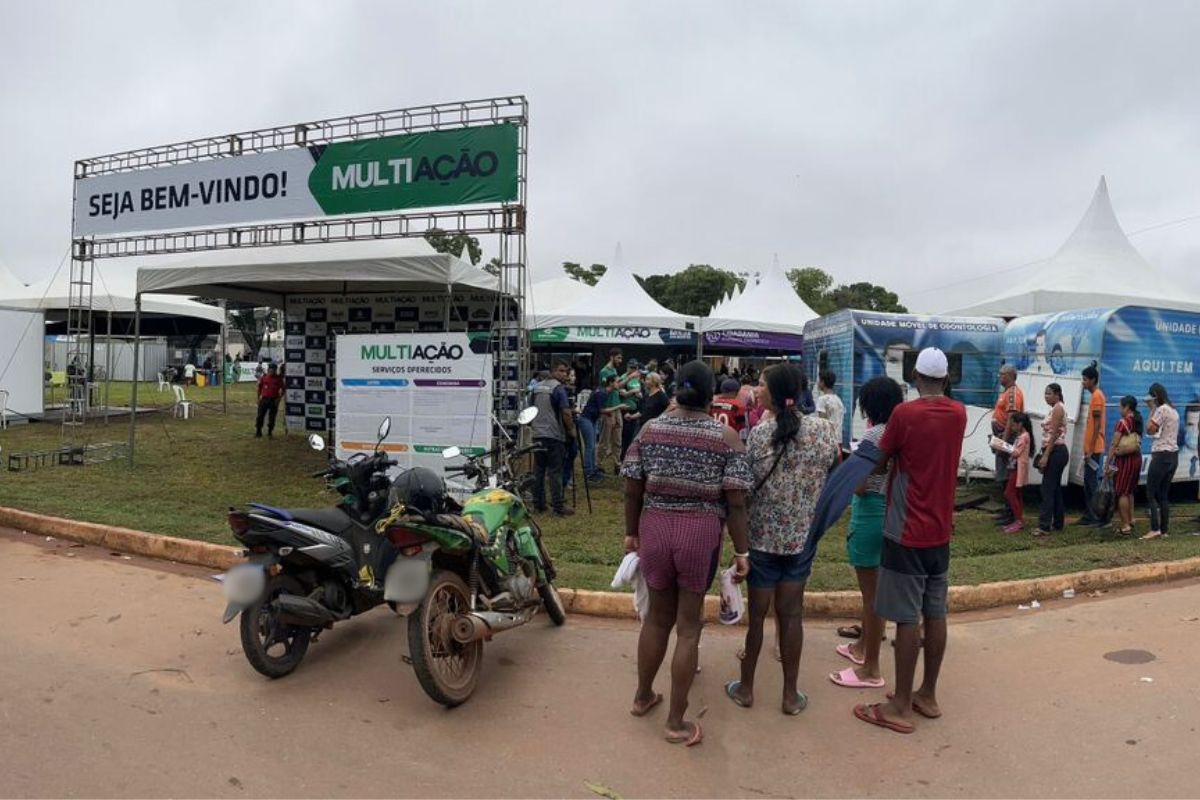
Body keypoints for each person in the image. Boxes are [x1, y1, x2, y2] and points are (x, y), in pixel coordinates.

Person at [623, 360, 752, 746]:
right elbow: (737, 502)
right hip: (699, 533)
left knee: (656, 620)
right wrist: (742, 551)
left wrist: (631, 533)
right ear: (711, 394)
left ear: (676, 391)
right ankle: (676, 722)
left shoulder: (649, 429)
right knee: (688, 627)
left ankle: (643, 696)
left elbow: (632, 487)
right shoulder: (725, 437)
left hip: (656, 529)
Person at [853, 347, 965, 735]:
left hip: (905, 530)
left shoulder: (904, 415)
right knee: (935, 614)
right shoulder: (959, 413)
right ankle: (927, 695)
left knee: (905, 618)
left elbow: (880, 464)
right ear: (946, 379)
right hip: (939, 531)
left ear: (915, 378)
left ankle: (899, 705)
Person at [725, 364, 839, 714]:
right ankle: (790, 695)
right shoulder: (823, 431)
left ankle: (746, 688)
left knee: (757, 618)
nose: (756, 389)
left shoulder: (759, 434)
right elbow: (833, 465)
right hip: (800, 541)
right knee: (792, 616)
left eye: (760, 385)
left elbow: (744, 489)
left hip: (761, 542)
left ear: (773, 393)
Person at [829, 376, 905, 691]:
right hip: (890, 511)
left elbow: (859, 483)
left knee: (871, 594)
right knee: (876, 590)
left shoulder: (874, 435)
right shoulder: (901, 431)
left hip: (869, 510)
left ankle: (869, 666)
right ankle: (863, 646)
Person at [529, 361, 577, 517]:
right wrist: (571, 430)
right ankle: (558, 506)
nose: (565, 374)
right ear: (553, 371)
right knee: (555, 472)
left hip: (537, 434)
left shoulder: (536, 388)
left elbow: (530, 409)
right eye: (562, 371)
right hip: (554, 434)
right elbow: (566, 412)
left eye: (566, 371)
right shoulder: (558, 388)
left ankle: (538, 504)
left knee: (538, 471)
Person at [1142, 383, 1179, 540]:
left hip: (1161, 454)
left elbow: (1149, 429)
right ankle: (1164, 530)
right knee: (1163, 494)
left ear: (1155, 396)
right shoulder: (1173, 410)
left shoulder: (1161, 410)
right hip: (1173, 455)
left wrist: (1151, 409)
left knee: (1150, 493)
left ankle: (1155, 528)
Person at [990, 365, 1025, 525]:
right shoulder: (1006, 392)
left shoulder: (1012, 393)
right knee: (1003, 474)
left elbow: (1011, 418)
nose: (999, 376)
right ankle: (1006, 509)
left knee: (1007, 475)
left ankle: (1010, 512)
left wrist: (1002, 442)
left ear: (1010, 376)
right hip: (1002, 435)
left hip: (1008, 438)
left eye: (1002, 374)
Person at [1034, 383, 1069, 536]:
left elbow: (1054, 434)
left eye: (1049, 394)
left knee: (1047, 488)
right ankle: (1058, 522)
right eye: (1045, 393)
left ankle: (1044, 525)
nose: (1046, 396)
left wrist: (1046, 456)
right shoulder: (1055, 408)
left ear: (1057, 394)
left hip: (1056, 451)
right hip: (1054, 451)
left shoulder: (1058, 408)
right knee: (1054, 488)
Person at [1107, 396, 1144, 536]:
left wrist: (1108, 463)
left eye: (1120, 406)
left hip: (1124, 460)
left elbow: (1114, 444)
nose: (1119, 409)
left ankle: (1125, 525)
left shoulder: (1122, 423)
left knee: (1121, 492)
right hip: (1136, 459)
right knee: (1129, 491)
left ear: (1127, 407)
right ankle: (1131, 519)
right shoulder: (1137, 420)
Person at [992, 412, 1034, 533]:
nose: (1012, 428)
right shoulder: (1021, 435)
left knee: (1009, 493)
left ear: (1020, 424)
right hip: (1014, 468)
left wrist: (1002, 446)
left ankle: (1018, 520)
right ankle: (1018, 520)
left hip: (1017, 469)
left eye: (1014, 425)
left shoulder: (1024, 437)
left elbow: (1016, 453)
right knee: (1016, 495)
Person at [1078, 364, 1108, 526]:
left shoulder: (1097, 396)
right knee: (1088, 483)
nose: (1083, 383)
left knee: (1092, 484)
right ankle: (1089, 514)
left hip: (1094, 448)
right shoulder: (1095, 396)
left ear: (1093, 380)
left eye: (1085, 380)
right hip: (1092, 448)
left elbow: (1096, 425)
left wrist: (1090, 448)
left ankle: (1096, 516)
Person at [579, 375, 617, 483]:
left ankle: (592, 469)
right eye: (617, 382)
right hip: (587, 419)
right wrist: (618, 407)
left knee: (592, 446)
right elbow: (602, 410)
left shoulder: (601, 391)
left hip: (590, 419)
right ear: (611, 383)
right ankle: (589, 472)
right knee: (590, 446)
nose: (618, 384)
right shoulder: (603, 393)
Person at [597, 348, 626, 471]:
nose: (620, 360)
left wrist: (620, 391)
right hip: (608, 409)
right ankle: (598, 464)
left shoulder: (614, 370)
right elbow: (608, 388)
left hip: (617, 407)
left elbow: (616, 387)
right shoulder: (604, 371)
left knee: (617, 438)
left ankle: (617, 463)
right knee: (605, 439)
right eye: (618, 358)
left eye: (621, 358)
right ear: (612, 357)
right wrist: (629, 378)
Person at [619, 361, 644, 459]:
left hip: (634, 408)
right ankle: (622, 456)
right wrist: (632, 391)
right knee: (625, 435)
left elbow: (640, 394)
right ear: (627, 367)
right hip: (625, 409)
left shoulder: (637, 379)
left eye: (634, 368)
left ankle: (627, 455)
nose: (633, 370)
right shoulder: (624, 377)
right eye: (631, 367)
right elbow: (621, 392)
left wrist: (637, 394)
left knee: (631, 435)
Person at [255, 363, 284, 438]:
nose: (271, 370)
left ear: (275, 370)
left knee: (272, 417)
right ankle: (258, 431)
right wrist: (258, 398)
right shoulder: (264, 377)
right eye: (270, 369)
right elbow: (259, 387)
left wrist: (279, 399)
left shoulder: (278, 378)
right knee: (260, 416)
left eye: (273, 369)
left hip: (273, 400)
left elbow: (283, 389)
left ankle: (270, 432)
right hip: (264, 399)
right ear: (268, 369)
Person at [815, 371, 845, 444]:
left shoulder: (822, 399)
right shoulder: (838, 399)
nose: (818, 383)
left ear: (823, 382)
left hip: (827, 440)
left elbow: (822, 423)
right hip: (838, 439)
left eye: (819, 381)